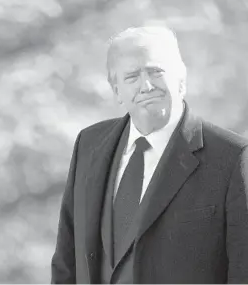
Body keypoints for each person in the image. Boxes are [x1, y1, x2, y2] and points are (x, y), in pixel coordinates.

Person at [51, 26, 248, 284]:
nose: (146, 86)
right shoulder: (89, 144)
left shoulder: (232, 157)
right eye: (132, 77)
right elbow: (66, 262)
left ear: (181, 79)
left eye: (156, 71)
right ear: (116, 89)